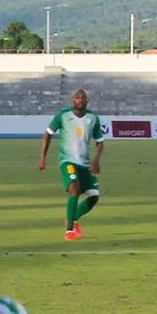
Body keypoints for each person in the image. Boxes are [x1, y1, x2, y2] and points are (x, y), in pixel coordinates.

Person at [38, 89, 104, 241]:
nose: (80, 100)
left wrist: (96, 160)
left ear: (87, 101)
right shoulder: (63, 115)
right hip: (67, 160)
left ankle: (72, 219)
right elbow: (48, 134)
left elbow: (100, 142)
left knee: (94, 196)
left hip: (85, 163)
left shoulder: (93, 118)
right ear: (72, 100)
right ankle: (69, 231)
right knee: (74, 190)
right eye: (77, 97)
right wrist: (43, 157)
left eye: (83, 98)